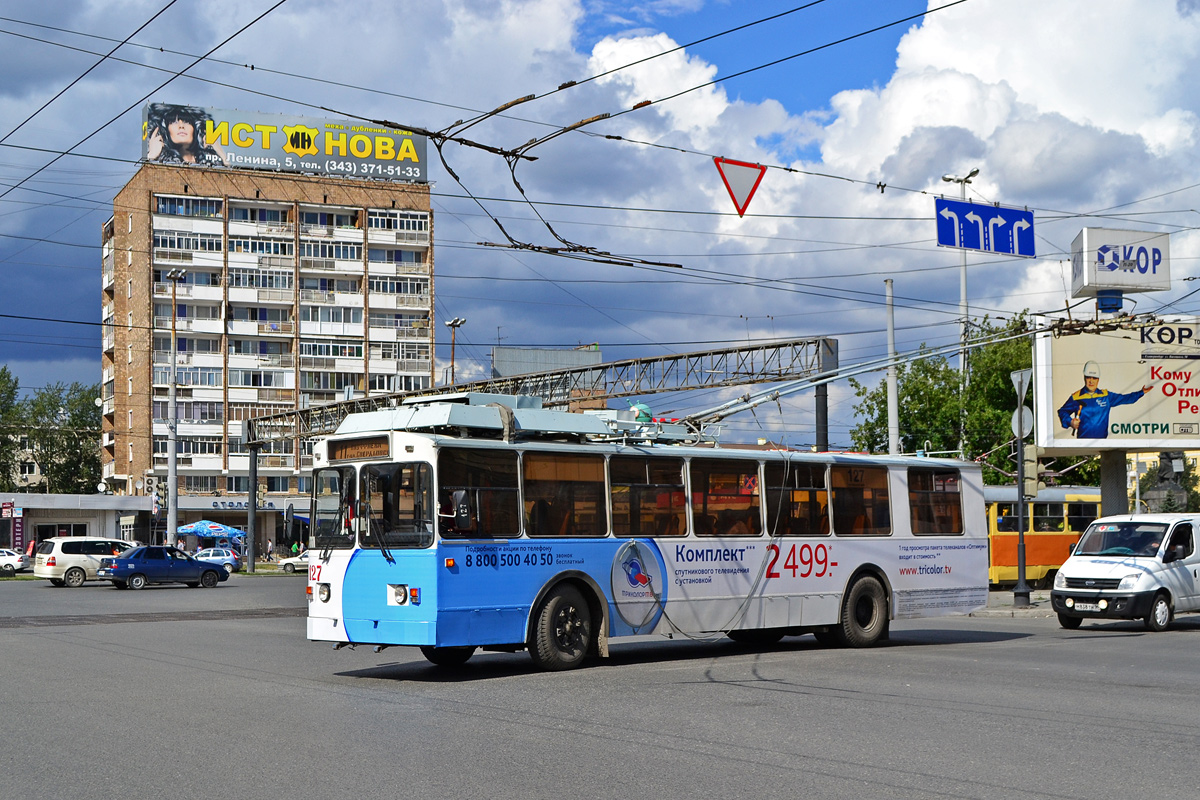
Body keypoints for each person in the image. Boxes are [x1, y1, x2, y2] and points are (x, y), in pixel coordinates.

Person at [1057, 360, 1152, 439]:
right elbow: (1062, 411)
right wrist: (1070, 422)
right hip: (1083, 444)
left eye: (1094, 378)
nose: (1091, 381)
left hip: (1102, 443)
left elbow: (1125, 398)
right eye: (1088, 377)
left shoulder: (1106, 396)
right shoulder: (1076, 397)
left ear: (1098, 379)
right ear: (1084, 377)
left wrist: (1141, 392)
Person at [144, 104, 228, 166]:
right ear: (164, 130)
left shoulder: (211, 162)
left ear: (196, 129)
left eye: (187, 122)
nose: (181, 126)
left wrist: (222, 156)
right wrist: (151, 156)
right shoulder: (163, 165)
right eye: (173, 122)